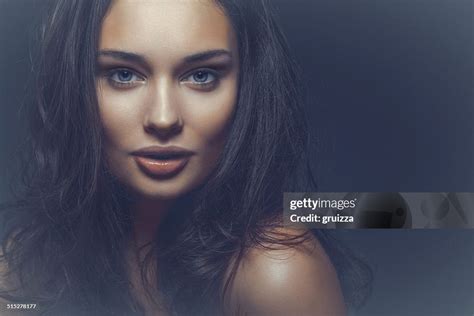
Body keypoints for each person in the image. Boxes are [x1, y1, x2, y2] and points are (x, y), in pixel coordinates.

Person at [0, 0, 371, 315]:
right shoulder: (31, 259)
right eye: (125, 75)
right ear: (76, 84)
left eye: (202, 76)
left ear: (247, 88)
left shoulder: (276, 272)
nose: (163, 118)